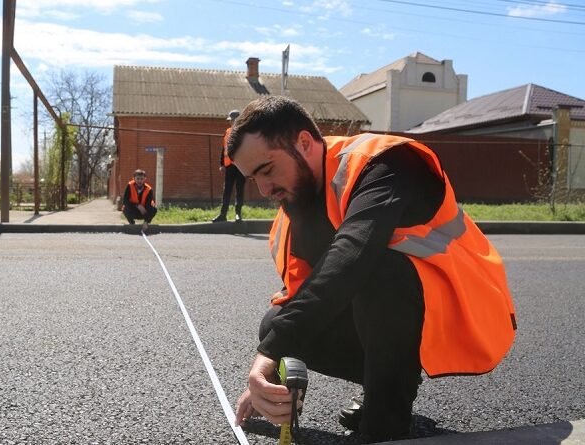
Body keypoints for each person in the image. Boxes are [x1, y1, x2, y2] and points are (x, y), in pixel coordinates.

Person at [227, 96, 517, 443]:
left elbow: (352, 257)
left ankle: (385, 428)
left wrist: (266, 357)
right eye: (252, 179)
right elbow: (301, 296)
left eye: (267, 169)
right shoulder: (297, 205)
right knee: (275, 323)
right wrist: (269, 376)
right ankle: (381, 383)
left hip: (462, 308)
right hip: (393, 316)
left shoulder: (383, 162)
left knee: (376, 274)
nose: (264, 190)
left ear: (304, 143)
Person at [213, 109, 246, 222]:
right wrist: (222, 164)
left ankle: (238, 214)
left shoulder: (244, 132)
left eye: (232, 120)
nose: (230, 122)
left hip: (241, 165)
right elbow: (224, 149)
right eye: (230, 120)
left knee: (239, 190)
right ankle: (223, 214)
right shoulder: (227, 132)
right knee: (227, 190)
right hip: (229, 166)